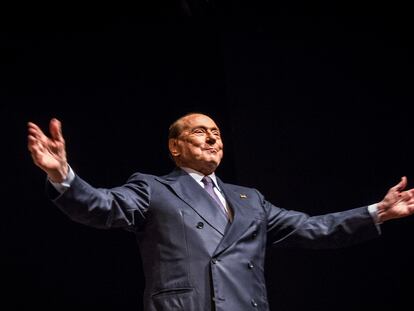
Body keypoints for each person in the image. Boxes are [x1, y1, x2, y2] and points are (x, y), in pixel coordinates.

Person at [27, 113, 414, 311]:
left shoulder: (250, 199)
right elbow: (103, 207)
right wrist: (64, 176)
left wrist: (376, 212)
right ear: (175, 148)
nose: (212, 137)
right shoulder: (154, 187)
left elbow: (313, 228)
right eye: (199, 131)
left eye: (216, 132)